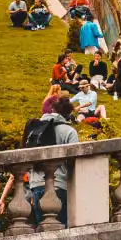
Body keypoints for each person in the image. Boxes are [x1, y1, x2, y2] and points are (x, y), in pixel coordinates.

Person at [24, 96, 78, 225]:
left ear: (52, 109)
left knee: (42, 231)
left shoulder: (35, 128)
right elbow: (74, 162)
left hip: (36, 185)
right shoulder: (69, 132)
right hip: (59, 185)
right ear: (68, 114)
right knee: (60, 230)